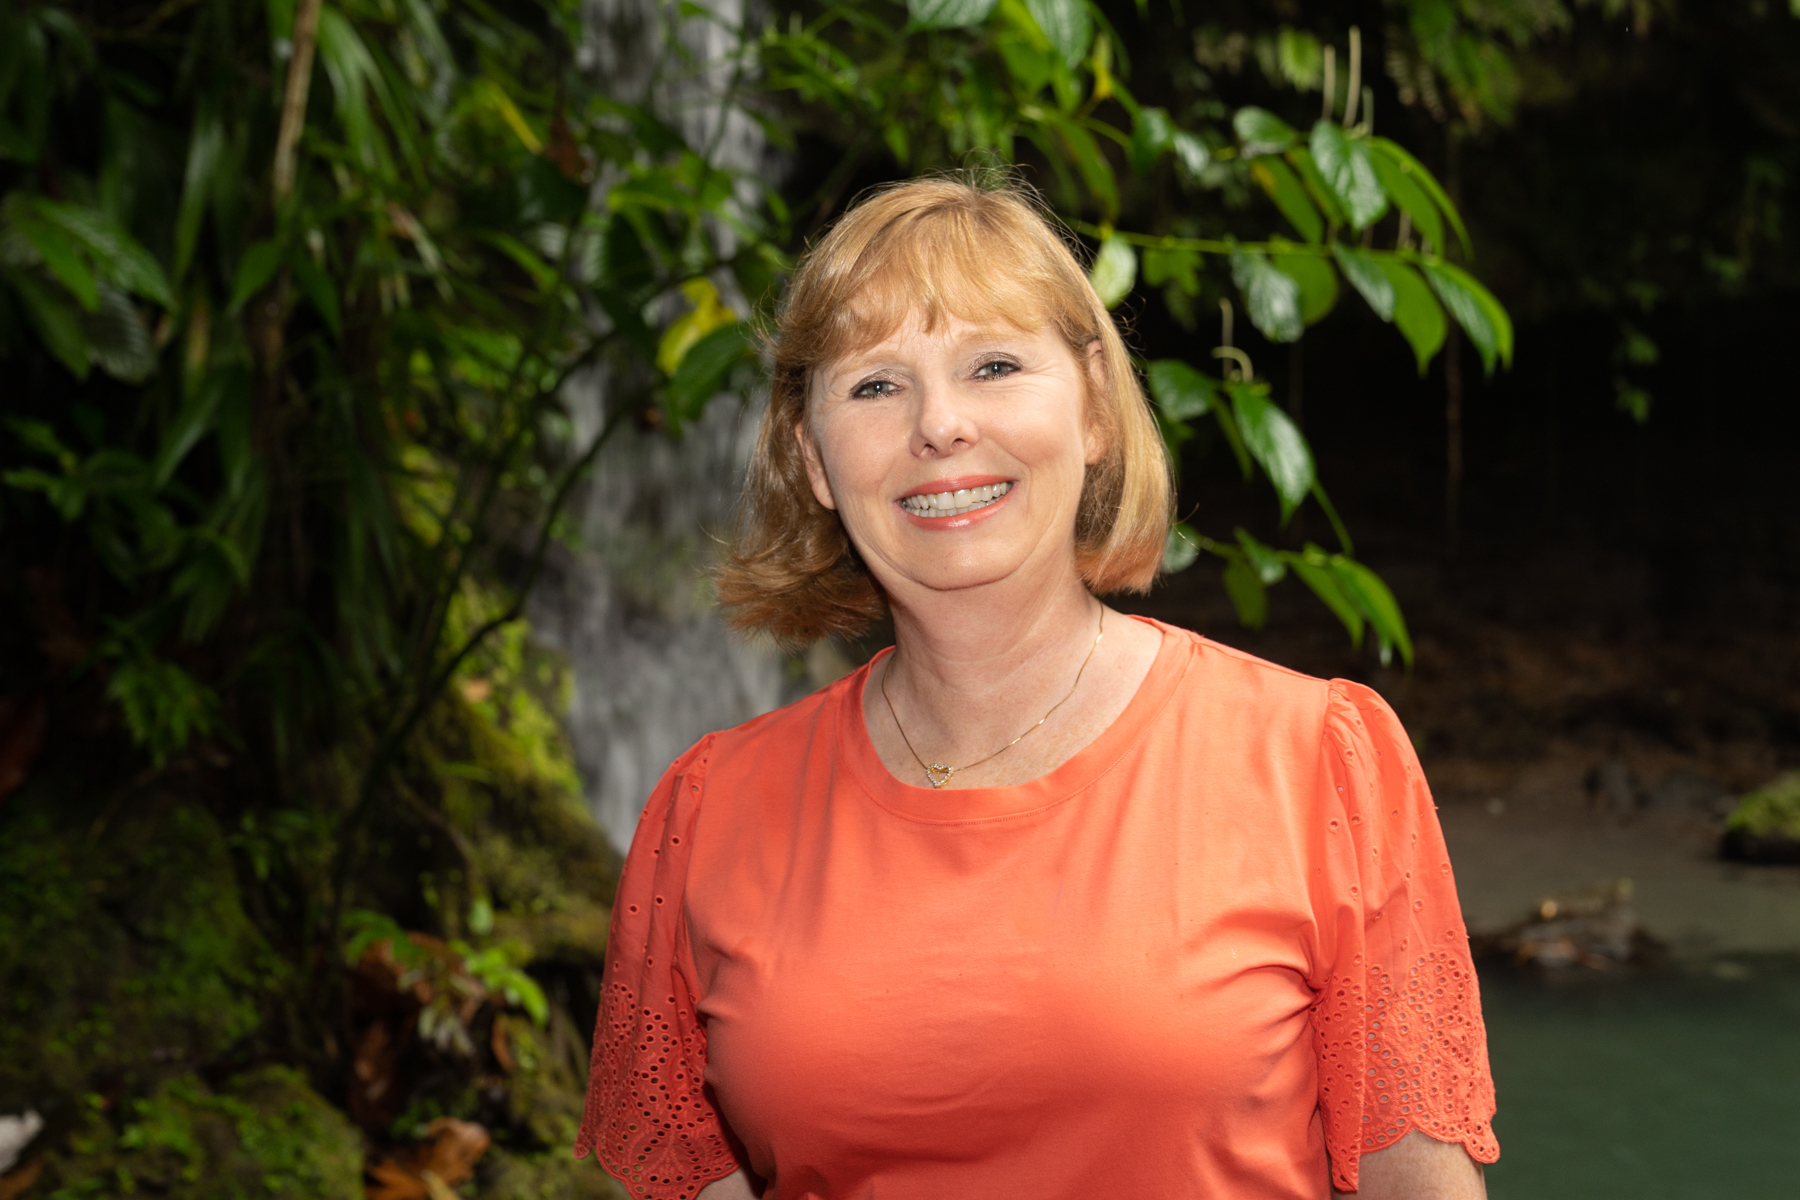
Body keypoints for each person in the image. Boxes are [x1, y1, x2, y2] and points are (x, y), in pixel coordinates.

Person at [575, 176, 1498, 1200]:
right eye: (875, 386)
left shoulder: (1318, 762)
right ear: (815, 463)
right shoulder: (706, 815)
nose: (940, 426)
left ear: (1093, 407)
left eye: (994, 366)